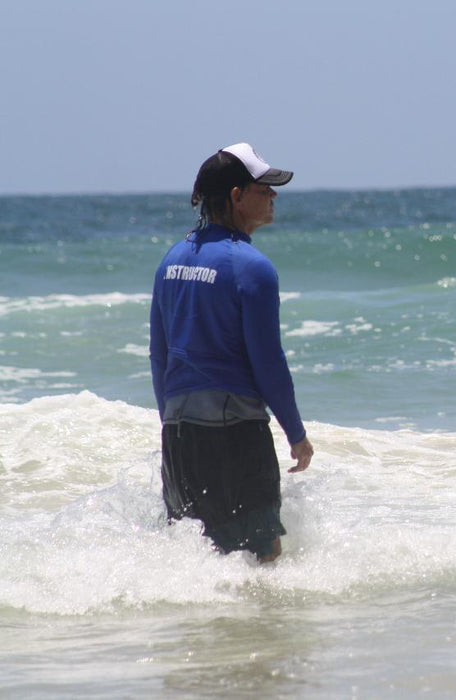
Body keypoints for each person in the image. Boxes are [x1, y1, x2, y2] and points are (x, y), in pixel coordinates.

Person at [149, 142, 314, 562]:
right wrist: (296, 434)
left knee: (199, 561)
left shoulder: (172, 260)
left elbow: (159, 354)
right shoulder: (251, 267)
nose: (273, 196)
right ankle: (261, 630)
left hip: (180, 435)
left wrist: (171, 419)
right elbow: (268, 362)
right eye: (264, 189)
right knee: (263, 558)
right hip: (234, 433)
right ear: (237, 197)